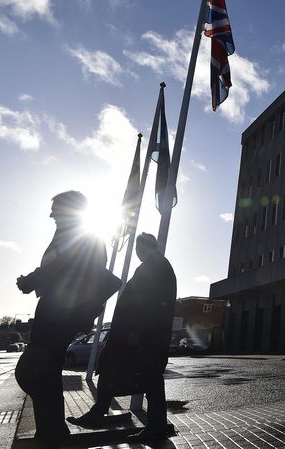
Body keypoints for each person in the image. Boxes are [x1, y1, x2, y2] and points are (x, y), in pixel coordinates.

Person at [15, 191, 119, 448]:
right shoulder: (82, 236)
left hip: (58, 315)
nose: (52, 216)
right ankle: (52, 430)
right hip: (61, 315)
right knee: (45, 373)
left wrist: (31, 281)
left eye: (56, 210)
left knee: (33, 372)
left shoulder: (78, 236)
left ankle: (52, 430)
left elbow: (59, 270)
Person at [68, 233, 177, 444]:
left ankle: (105, 415)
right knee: (146, 377)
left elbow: (147, 302)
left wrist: (135, 333)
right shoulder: (156, 265)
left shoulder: (154, 266)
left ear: (144, 247)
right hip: (143, 335)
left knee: (130, 372)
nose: (136, 253)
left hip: (141, 336)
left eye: (137, 249)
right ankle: (151, 424)